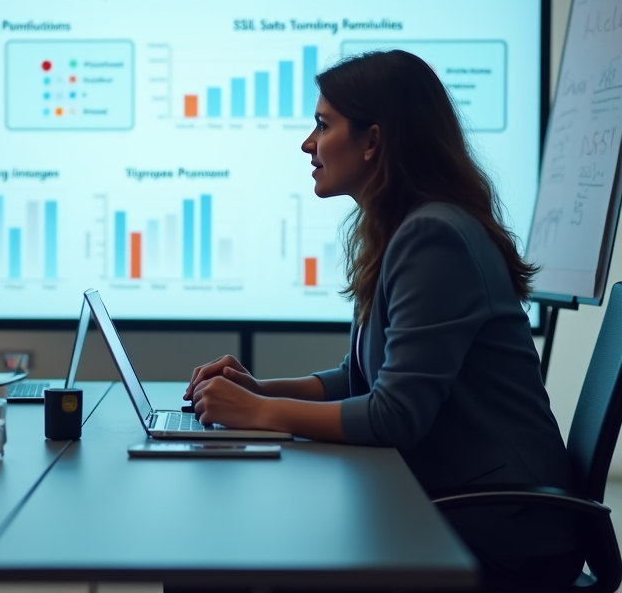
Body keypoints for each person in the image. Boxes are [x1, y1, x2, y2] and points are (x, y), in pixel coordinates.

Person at [184, 50, 582, 586]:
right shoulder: (404, 229)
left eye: (323, 125)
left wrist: (260, 412)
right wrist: (258, 389)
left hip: (498, 530)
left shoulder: (433, 236)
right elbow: (360, 378)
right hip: (452, 505)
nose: (308, 144)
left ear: (373, 141)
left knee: (218, 562)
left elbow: (396, 415)